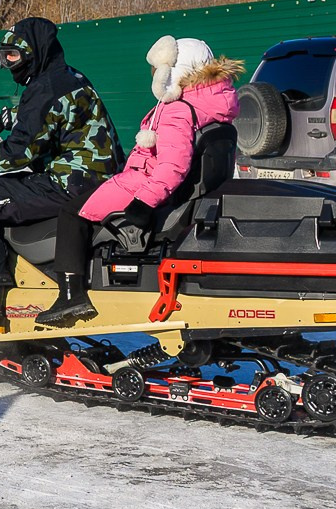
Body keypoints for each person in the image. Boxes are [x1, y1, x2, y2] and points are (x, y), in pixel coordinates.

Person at [35, 37, 242, 328]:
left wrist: (143, 202)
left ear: (175, 72)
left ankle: (71, 297)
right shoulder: (213, 106)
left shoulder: (177, 110)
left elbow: (172, 166)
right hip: (160, 185)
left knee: (72, 213)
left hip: (144, 184)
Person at [0, 16, 123, 333]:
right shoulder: (66, 76)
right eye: (3, 56)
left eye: (14, 56)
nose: (8, 64)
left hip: (68, 184)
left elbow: (14, 156)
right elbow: (42, 118)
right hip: (96, 178)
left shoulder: (45, 88)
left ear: (35, 52)